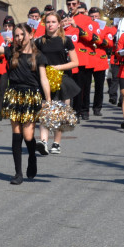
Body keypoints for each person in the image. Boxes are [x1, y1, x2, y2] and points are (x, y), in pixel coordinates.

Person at [0, 23, 52, 184]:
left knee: (28, 136)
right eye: (16, 35)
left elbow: (44, 79)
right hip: (14, 94)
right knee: (16, 134)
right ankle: (18, 173)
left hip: (31, 96)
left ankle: (32, 157)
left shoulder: (38, 56)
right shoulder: (10, 52)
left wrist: (48, 100)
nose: (19, 38)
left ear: (31, 35)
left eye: (22, 35)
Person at [34, 11, 79, 155]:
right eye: (48, 22)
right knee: (45, 110)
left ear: (59, 24)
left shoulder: (66, 40)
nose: (50, 25)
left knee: (59, 113)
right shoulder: (39, 42)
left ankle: (56, 143)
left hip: (62, 79)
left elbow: (75, 62)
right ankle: (43, 142)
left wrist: (58, 67)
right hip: (44, 79)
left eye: (53, 22)